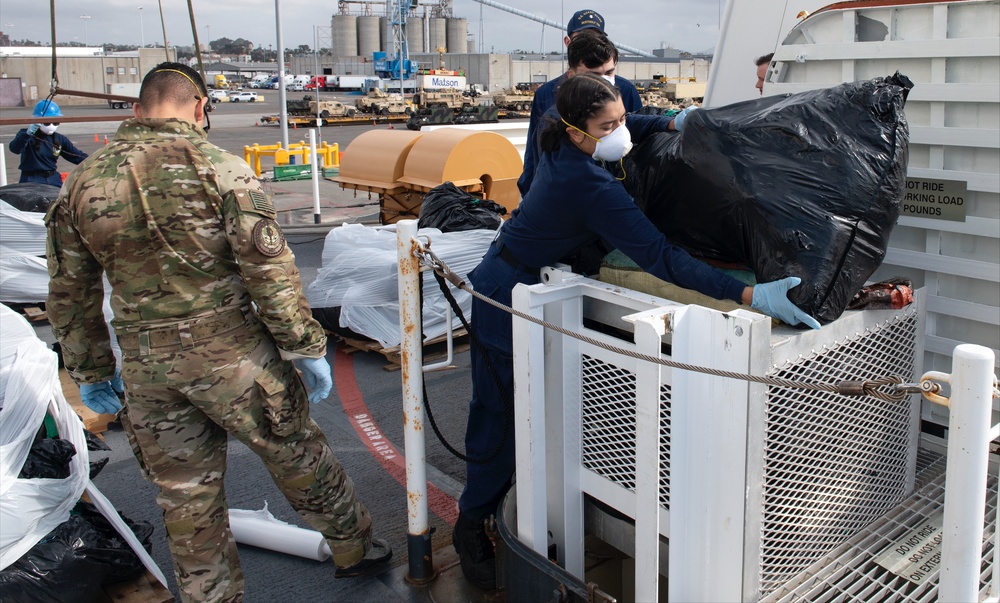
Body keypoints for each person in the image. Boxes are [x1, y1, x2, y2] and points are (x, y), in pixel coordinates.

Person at [452, 72, 820, 590]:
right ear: (578, 130)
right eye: (610, 125)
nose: (622, 131)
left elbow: (632, 123)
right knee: (498, 414)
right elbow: (660, 257)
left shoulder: (554, 137)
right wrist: (748, 295)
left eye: (623, 118)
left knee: (531, 410)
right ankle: (471, 524)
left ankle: (513, 504)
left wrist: (670, 119)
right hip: (502, 294)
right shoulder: (590, 186)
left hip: (513, 269)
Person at [45, 63, 391, 603]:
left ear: (137, 110)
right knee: (297, 456)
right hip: (235, 357)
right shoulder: (220, 169)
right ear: (201, 106)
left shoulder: (85, 182)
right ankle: (354, 550)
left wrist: (91, 371)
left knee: (186, 496)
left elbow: (71, 291)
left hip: (147, 368)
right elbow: (269, 272)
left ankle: (211, 596)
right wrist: (305, 345)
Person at [518, 9, 642, 196]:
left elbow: (637, 132)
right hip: (563, 190)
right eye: (583, 38)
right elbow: (535, 151)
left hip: (613, 187)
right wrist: (529, 191)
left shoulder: (625, 89)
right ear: (568, 43)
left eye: (596, 38)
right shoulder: (546, 94)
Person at [8, 100, 88, 186]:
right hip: (31, 179)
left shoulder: (59, 139)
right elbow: (15, 149)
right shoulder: (26, 135)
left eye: (55, 123)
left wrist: (98, 159)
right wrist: (28, 134)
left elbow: (76, 156)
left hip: (52, 178)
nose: (51, 126)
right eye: (47, 123)